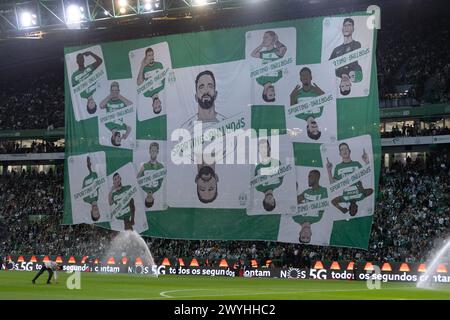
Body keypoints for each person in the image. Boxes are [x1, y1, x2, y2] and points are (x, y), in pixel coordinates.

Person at [326, 143, 373, 216]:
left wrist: (341, 208)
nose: (344, 151)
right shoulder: (361, 197)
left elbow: (333, 201)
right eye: (342, 150)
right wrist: (367, 161)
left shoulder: (345, 199)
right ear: (340, 153)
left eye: (345, 149)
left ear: (349, 151)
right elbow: (371, 191)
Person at [251, 31, 287, 102]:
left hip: (269, 53)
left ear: (264, 92)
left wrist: (262, 45)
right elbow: (283, 51)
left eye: (270, 94)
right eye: (274, 94)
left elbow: (253, 54)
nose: (273, 92)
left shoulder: (259, 80)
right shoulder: (277, 78)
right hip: (276, 53)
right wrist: (276, 41)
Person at [294, 170, 328, 243]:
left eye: (303, 237)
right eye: (308, 237)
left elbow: (293, 202)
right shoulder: (317, 218)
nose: (306, 235)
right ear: (311, 234)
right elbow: (324, 203)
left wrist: (294, 190)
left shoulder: (296, 218)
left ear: (299, 233)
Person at [329, 18, 363, 82]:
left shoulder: (356, 44)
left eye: (349, 25)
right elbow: (329, 66)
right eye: (345, 25)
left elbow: (352, 64)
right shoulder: (336, 49)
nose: (346, 27)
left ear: (353, 29)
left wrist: (340, 71)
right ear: (342, 29)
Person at [254, 138, 283, 211]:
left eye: (268, 202)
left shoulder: (258, 187)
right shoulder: (279, 183)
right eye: (272, 202)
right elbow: (283, 171)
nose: (270, 200)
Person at [100, 81, 132, 146]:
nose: (119, 138)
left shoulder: (107, 125)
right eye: (120, 140)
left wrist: (111, 95)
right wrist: (126, 134)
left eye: (117, 140)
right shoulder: (121, 127)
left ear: (113, 138)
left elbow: (101, 105)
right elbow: (129, 127)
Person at [137, 47, 165, 114]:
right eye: (159, 106)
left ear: (152, 105)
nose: (157, 105)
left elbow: (139, 83)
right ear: (161, 103)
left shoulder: (146, 94)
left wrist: (142, 66)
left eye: (155, 107)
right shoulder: (162, 87)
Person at [137, 142, 165, 208]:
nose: (153, 152)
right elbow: (161, 178)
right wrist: (142, 170)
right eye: (152, 150)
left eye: (155, 150)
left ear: (157, 152)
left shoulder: (143, 187)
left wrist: (141, 170)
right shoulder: (157, 188)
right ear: (149, 151)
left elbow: (137, 179)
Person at [82, 156, 101, 221]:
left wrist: (88, 166)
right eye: (98, 213)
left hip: (83, 160)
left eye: (94, 213)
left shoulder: (85, 199)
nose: (96, 211)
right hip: (95, 159)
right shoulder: (100, 196)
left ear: (91, 212)